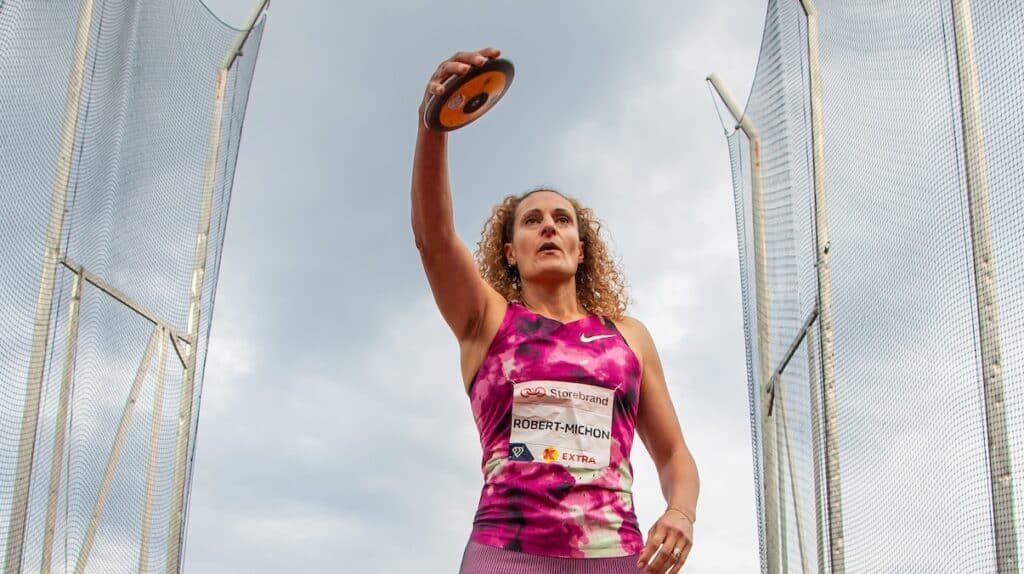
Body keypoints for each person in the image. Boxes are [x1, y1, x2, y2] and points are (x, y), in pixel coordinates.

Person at [411, 47, 700, 574]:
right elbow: (433, 241)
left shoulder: (629, 338)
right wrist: (434, 124)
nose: (549, 226)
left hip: (615, 556)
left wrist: (681, 511)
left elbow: (674, 452)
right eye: (532, 220)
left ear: (581, 248)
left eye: (563, 219)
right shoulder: (487, 319)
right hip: (508, 553)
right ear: (509, 251)